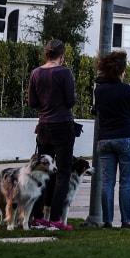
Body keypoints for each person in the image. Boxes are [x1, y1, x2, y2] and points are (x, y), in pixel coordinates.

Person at [28, 39, 77, 231]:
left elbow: (32, 102)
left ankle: (38, 217)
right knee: (63, 172)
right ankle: (55, 219)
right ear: (62, 56)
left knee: (42, 171)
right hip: (63, 125)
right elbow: (71, 101)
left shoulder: (35, 73)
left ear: (46, 54)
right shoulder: (64, 72)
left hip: (44, 126)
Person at [94, 50, 130, 230]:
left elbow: (97, 111)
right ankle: (127, 221)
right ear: (122, 71)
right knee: (126, 182)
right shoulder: (127, 90)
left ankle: (107, 221)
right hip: (126, 137)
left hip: (105, 138)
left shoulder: (99, 90)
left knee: (107, 181)